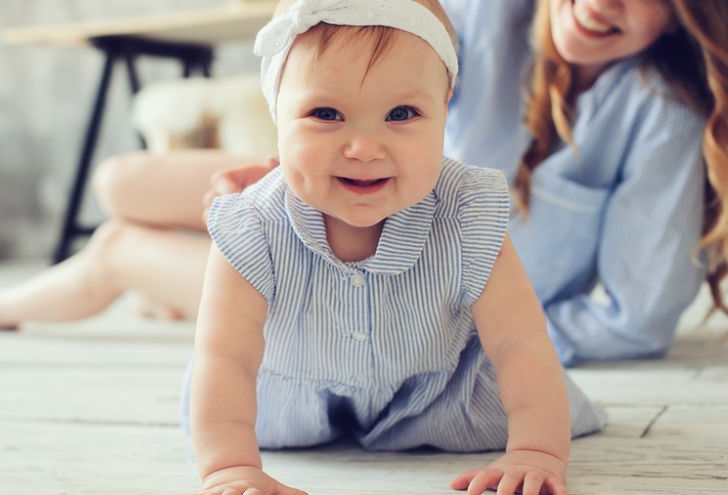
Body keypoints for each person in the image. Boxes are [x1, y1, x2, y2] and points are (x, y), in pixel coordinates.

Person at [0, 0, 728, 367]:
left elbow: (636, 317)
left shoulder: (661, 110)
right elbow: (376, 105)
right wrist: (285, 170)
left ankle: (5, 306)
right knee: (122, 179)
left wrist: (475, 337)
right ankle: (183, 285)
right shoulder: (489, 16)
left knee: (117, 247)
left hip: (388, 292)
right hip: (353, 197)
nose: (607, 2)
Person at [186, 2, 604, 495]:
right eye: (326, 113)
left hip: (443, 395)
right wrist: (229, 468)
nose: (364, 147)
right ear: (277, 108)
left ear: (445, 106)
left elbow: (520, 343)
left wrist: (537, 451)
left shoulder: (467, 211)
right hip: (289, 401)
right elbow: (225, 357)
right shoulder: (252, 222)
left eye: (401, 114)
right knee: (224, 392)